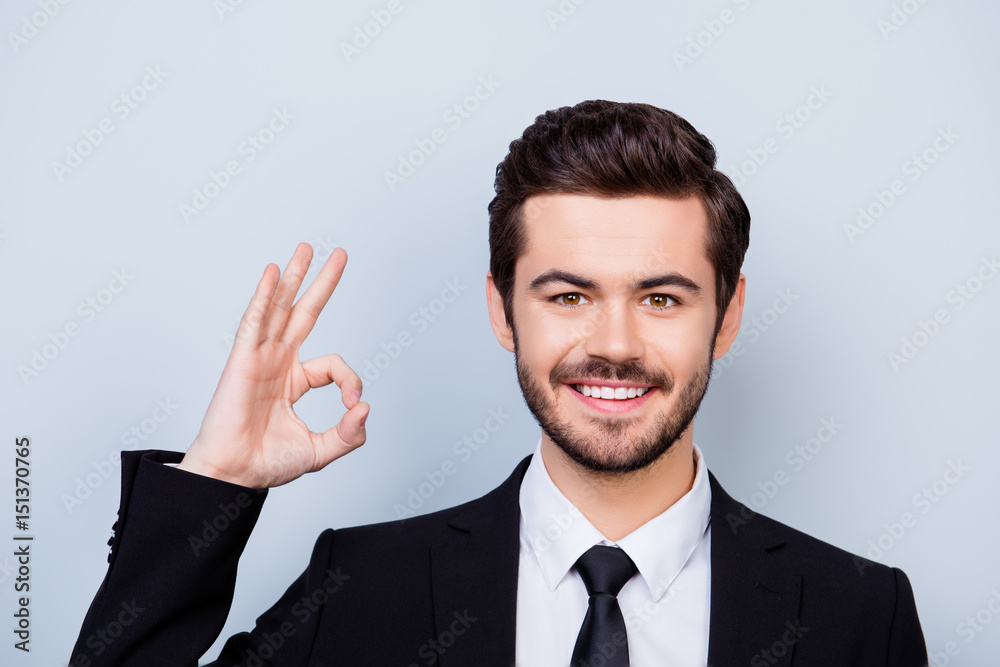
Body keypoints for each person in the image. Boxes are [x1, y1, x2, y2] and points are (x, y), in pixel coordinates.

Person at [70, 100, 927, 666]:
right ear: (502, 311)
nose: (615, 345)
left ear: (727, 317)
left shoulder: (861, 616)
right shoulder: (362, 587)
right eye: (569, 295)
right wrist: (216, 477)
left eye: (661, 296)